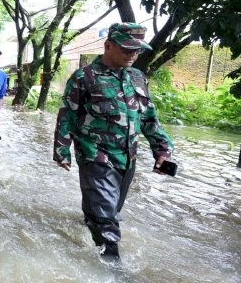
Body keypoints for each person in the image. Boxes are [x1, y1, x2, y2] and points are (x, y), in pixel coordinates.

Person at [53, 22, 174, 261]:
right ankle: (112, 267)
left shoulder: (138, 78)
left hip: (127, 157)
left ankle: (91, 221)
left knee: (111, 209)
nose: (133, 55)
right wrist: (62, 150)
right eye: (127, 49)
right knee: (106, 219)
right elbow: (67, 114)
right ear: (108, 46)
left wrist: (162, 150)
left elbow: (149, 117)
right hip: (95, 155)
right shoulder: (84, 77)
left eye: (137, 50)